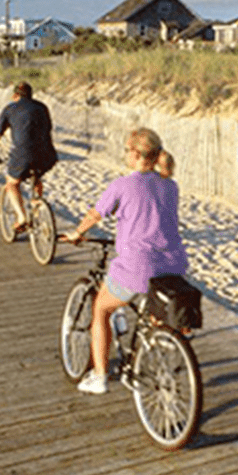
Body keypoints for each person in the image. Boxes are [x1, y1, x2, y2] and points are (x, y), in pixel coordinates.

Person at [62, 128, 188, 395]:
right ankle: (158, 349)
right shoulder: (170, 186)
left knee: (101, 310)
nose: (125, 154)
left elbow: (96, 214)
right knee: (153, 312)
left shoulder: (123, 185)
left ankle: (99, 377)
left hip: (139, 267)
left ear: (135, 154)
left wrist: (76, 233)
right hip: (174, 265)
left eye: (127, 150)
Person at [0, 81, 58, 232]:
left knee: (12, 183)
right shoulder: (42, 107)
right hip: (48, 154)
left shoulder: (10, 109)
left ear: (15, 95)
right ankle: (36, 206)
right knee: (36, 176)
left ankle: (21, 217)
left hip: (24, 154)